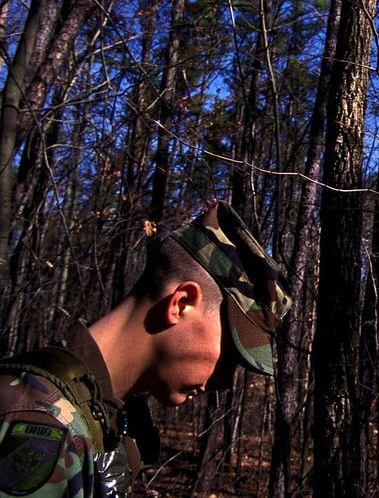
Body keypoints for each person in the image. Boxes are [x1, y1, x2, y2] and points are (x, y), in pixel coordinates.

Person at [0, 201, 292, 497]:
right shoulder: (42, 428)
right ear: (182, 303)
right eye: (230, 355)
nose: (226, 382)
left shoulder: (99, 422)